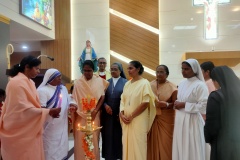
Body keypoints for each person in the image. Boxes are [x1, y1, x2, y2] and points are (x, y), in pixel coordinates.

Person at [0, 55, 61, 160]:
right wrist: (48, 112)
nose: (38, 71)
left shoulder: (30, 82)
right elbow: (21, 111)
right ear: (27, 67)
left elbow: (31, 107)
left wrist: (46, 112)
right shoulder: (16, 83)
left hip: (31, 128)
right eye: (36, 68)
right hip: (19, 132)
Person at [70, 60, 109, 160]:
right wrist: (73, 106)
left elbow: (102, 97)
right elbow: (74, 98)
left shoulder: (99, 81)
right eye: (85, 70)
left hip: (93, 115)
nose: (87, 73)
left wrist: (95, 111)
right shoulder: (78, 82)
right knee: (80, 139)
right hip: (80, 115)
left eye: (89, 70)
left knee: (93, 140)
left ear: (93, 70)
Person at [172, 59, 209, 160]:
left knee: (192, 145)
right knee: (181, 144)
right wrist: (177, 104)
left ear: (194, 69)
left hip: (192, 121)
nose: (183, 71)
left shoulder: (200, 85)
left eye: (186, 69)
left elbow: (203, 105)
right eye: (182, 69)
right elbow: (181, 99)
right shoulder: (182, 83)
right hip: (180, 119)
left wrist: (184, 105)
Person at [120, 60, 156, 160]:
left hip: (138, 120)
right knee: (127, 144)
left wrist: (131, 116)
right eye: (127, 68)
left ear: (138, 69)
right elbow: (122, 100)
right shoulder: (127, 84)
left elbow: (145, 102)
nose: (128, 70)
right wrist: (121, 114)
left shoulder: (145, 83)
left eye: (131, 68)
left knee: (138, 146)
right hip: (126, 120)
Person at [204, 66, 240, 160]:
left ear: (217, 80)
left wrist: (208, 138)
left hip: (222, 143)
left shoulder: (216, 96)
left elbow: (211, 124)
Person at [37, 68, 72, 160]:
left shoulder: (63, 89)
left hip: (62, 125)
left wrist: (73, 105)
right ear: (50, 78)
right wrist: (50, 112)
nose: (60, 79)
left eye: (60, 77)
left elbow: (69, 100)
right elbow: (40, 109)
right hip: (49, 127)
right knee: (49, 149)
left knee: (62, 148)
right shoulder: (42, 91)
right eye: (58, 77)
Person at [147, 65, 177, 160]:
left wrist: (167, 105)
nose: (159, 74)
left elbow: (175, 104)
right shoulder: (150, 85)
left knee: (165, 143)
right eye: (157, 72)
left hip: (166, 119)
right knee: (151, 142)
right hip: (152, 118)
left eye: (161, 72)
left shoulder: (172, 87)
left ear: (167, 74)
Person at [101, 62, 127, 160]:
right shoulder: (106, 82)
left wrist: (121, 112)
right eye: (111, 69)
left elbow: (127, 100)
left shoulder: (126, 82)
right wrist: (105, 105)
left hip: (119, 115)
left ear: (120, 70)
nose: (113, 71)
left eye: (115, 69)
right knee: (107, 136)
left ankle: (119, 156)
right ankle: (108, 157)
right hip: (107, 115)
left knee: (118, 136)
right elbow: (101, 98)